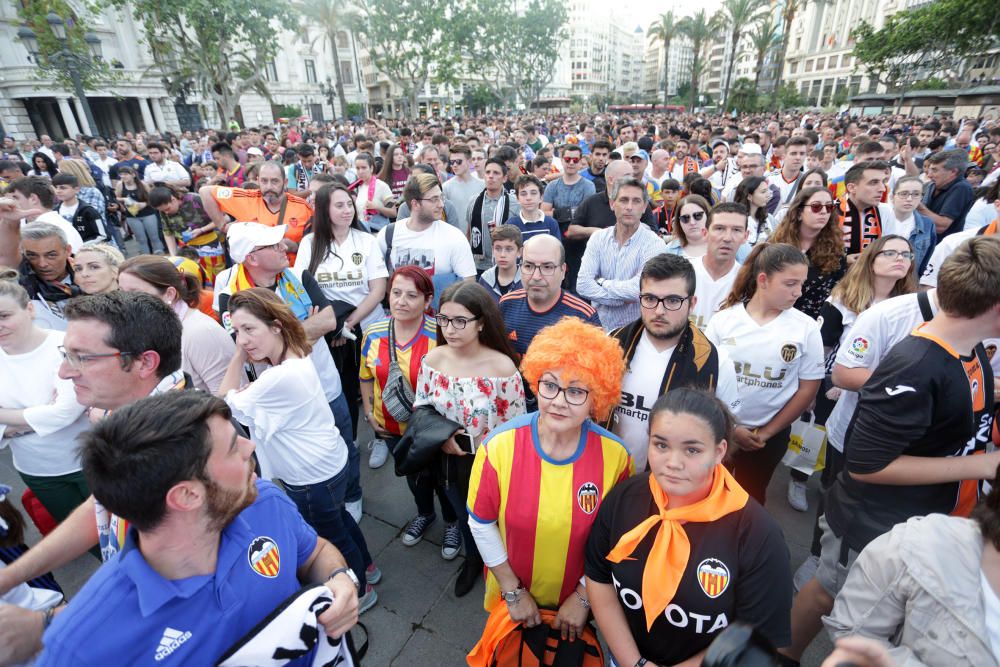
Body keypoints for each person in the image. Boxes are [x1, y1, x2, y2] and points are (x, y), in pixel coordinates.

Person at [784, 235, 1000, 664]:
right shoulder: (919, 363)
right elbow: (866, 464)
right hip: (875, 520)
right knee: (833, 598)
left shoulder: (967, 346)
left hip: (927, 514)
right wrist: (983, 465)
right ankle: (778, 654)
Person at [36, 391, 360, 664]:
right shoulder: (80, 645)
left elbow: (314, 551)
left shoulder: (265, 502)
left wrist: (339, 578)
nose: (250, 448)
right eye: (234, 447)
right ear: (187, 495)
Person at [0, 291, 185, 663]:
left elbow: (173, 579)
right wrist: (10, 578)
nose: (65, 372)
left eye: (80, 358)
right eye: (64, 355)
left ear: (145, 363)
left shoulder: (177, 451)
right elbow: (99, 505)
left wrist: (48, 624)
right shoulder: (125, 426)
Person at [586, 389, 793, 667]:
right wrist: (634, 663)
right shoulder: (625, 498)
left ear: (719, 451)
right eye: (661, 445)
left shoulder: (757, 532)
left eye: (692, 450)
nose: (673, 463)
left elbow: (754, 636)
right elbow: (600, 577)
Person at [467, 318, 631, 637]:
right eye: (550, 385)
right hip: (511, 595)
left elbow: (618, 539)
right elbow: (481, 522)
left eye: (575, 391)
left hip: (578, 605)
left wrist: (584, 597)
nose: (558, 400)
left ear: (596, 397)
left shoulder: (617, 458)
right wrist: (513, 592)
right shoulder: (498, 446)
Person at [218, 289, 378, 613]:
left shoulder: (278, 377)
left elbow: (221, 402)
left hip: (309, 478)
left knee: (331, 537)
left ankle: (360, 590)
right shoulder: (294, 353)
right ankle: (369, 568)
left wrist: (236, 357)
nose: (243, 340)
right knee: (342, 520)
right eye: (237, 332)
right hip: (329, 461)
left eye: (250, 329)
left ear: (276, 326)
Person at [214, 222, 363, 522]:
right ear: (252, 258)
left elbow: (330, 320)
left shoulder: (297, 274)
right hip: (278, 397)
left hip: (324, 382)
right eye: (274, 245)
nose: (285, 247)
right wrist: (304, 328)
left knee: (345, 442)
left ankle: (352, 495)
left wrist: (274, 339)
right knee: (303, 455)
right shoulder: (227, 288)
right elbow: (242, 345)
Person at [413, 281, 526, 597]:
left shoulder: (502, 368)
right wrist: (443, 436)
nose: (450, 328)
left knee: (494, 518)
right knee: (464, 516)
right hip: (448, 459)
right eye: (444, 319)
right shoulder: (433, 360)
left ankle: (505, 567)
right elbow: (421, 405)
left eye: (460, 320)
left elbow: (517, 429)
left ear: (481, 323)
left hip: (490, 462)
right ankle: (473, 559)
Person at [824, 465, 1000, 666]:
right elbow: (852, 632)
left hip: (913, 510)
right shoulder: (922, 545)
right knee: (822, 588)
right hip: (869, 515)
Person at [706, 243, 824, 505]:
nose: (798, 292)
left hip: (768, 439)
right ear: (763, 280)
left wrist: (767, 433)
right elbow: (707, 379)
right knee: (710, 496)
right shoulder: (724, 321)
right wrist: (732, 428)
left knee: (750, 499)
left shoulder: (805, 328)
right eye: (790, 283)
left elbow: (808, 389)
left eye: (801, 284)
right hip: (720, 430)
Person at [608, 254, 740, 471]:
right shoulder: (612, 343)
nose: (659, 311)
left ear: (692, 303)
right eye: (650, 299)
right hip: (609, 475)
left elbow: (724, 430)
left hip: (673, 483)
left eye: (672, 301)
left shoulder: (715, 363)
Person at [297, 182, 389, 433]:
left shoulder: (366, 241)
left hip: (368, 327)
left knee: (376, 385)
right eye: (339, 205)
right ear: (325, 210)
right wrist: (334, 326)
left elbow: (378, 290)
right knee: (343, 387)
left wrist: (348, 323)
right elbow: (303, 290)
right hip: (331, 332)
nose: (348, 210)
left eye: (350, 204)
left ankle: (381, 436)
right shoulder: (310, 244)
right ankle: (348, 437)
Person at [0, 278, 91, 525]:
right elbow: (58, 414)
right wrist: (44, 414)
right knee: (80, 538)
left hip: (91, 460)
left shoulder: (63, 344)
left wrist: (6, 423)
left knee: (125, 533)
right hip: (37, 471)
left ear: (29, 309)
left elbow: (63, 413)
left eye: (4, 315)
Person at [118, 255, 235, 394]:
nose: (123, 301)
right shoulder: (143, 328)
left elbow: (228, 398)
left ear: (169, 294)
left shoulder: (201, 332)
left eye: (135, 293)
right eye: (121, 292)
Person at [577, 177, 668, 331]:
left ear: (645, 206)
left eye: (636, 201)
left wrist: (602, 282)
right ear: (613, 204)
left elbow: (638, 290)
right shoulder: (598, 239)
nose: (629, 207)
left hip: (637, 332)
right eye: (624, 200)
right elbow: (583, 285)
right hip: (599, 329)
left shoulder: (655, 244)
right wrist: (620, 299)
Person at [378, 173, 476, 305]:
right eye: (434, 199)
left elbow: (468, 286)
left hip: (439, 320)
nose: (441, 204)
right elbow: (377, 282)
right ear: (415, 204)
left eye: (441, 197)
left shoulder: (454, 237)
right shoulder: (389, 234)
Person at [499, 234, 600, 357]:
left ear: (563, 271)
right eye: (528, 266)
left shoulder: (583, 316)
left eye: (547, 267)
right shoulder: (506, 305)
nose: (536, 276)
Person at [200, 161, 314, 261]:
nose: (269, 186)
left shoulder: (303, 207)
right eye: (264, 181)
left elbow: (315, 245)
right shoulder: (246, 198)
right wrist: (223, 226)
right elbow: (205, 192)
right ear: (258, 180)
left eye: (275, 181)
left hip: (291, 274)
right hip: (255, 277)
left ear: (285, 182)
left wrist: (296, 246)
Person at [771, 186, 848, 319]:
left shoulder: (836, 249)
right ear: (799, 212)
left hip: (816, 323)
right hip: (777, 318)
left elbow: (839, 293)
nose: (824, 212)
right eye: (816, 207)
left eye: (829, 207)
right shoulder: (776, 244)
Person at [148, 185, 226, 283]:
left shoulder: (196, 199)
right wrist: (173, 255)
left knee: (216, 278)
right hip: (186, 249)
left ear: (173, 199)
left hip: (209, 246)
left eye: (167, 209)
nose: (166, 213)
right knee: (192, 279)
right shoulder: (164, 209)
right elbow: (168, 232)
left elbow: (224, 218)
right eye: (162, 211)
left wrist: (201, 230)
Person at [690, 203, 748, 330]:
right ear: (705, 233)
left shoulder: (749, 282)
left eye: (737, 230)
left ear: (746, 236)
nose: (727, 238)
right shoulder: (684, 272)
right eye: (719, 228)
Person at [17, 224, 81, 331]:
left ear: (68, 251)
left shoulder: (93, 278)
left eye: (51, 255)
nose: (42, 264)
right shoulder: (18, 286)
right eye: (32, 255)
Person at [838, 161, 894, 263]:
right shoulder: (831, 210)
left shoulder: (885, 211)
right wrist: (843, 261)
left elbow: (889, 249)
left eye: (883, 182)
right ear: (852, 188)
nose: (882, 189)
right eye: (874, 182)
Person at [918, 148, 976, 238]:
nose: (929, 175)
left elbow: (941, 226)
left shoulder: (961, 188)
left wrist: (918, 206)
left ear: (953, 172)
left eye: (935, 170)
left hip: (941, 248)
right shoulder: (932, 185)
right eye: (930, 169)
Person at [542, 144, 595, 233]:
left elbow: (587, 214)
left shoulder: (589, 186)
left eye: (575, 160)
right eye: (567, 159)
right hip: (556, 233)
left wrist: (556, 213)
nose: (571, 163)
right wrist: (573, 211)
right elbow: (544, 214)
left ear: (580, 162)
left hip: (580, 235)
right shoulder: (552, 186)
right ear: (562, 161)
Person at [888, 176, 936, 274]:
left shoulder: (927, 224)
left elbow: (927, 258)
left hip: (910, 281)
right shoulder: (881, 219)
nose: (909, 199)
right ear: (892, 197)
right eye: (903, 194)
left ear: (921, 198)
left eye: (916, 194)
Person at [115, 165, 164, 255]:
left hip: (148, 213)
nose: (123, 176)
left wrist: (144, 204)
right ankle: (146, 259)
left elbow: (152, 198)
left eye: (126, 174)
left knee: (154, 237)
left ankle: (160, 256)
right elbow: (116, 197)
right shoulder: (120, 185)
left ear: (133, 175)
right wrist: (124, 199)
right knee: (141, 239)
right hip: (132, 215)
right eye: (121, 174)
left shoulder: (142, 184)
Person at [51, 174, 104, 243]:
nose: (58, 191)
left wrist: (82, 246)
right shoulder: (55, 212)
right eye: (56, 187)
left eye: (63, 188)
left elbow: (102, 235)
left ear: (76, 189)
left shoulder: (88, 211)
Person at [443, 143, 484, 232]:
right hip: (454, 238)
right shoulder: (446, 187)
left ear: (469, 161)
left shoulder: (482, 185)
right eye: (452, 162)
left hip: (478, 238)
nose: (454, 165)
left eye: (458, 161)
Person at [506, 174, 560, 241]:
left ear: (541, 197)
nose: (528, 198)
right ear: (517, 198)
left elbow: (556, 250)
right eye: (523, 194)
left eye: (533, 193)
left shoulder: (551, 223)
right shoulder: (511, 225)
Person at [477, 224, 523, 301]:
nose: (502, 255)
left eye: (509, 249)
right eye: (498, 249)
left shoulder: (527, 280)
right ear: (492, 250)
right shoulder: (485, 280)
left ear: (519, 252)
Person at [354, 151, 396, 231]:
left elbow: (393, 212)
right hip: (363, 231)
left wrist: (377, 207)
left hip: (379, 232)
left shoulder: (382, 186)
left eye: (364, 167)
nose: (360, 171)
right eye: (357, 168)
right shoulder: (359, 186)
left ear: (371, 168)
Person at [733, 176, 777, 248]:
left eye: (767, 190)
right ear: (749, 196)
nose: (768, 195)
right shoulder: (736, 220)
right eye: (763, 192)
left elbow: (775, 239)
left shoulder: (768, 218)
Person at [664, 194, 711, 258]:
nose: (692, 222)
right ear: (679, 222)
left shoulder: (723, 246)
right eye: (685, 218)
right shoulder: (669, 251)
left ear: (708, 216)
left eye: (698, 215)